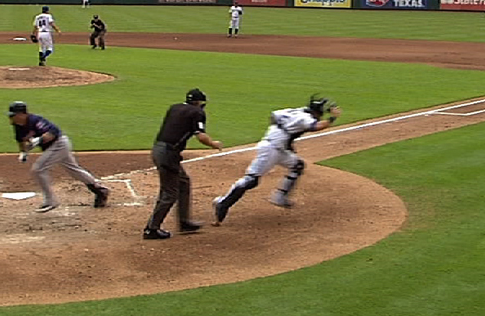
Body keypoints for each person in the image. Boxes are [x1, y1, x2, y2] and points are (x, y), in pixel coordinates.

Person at [212, 95, 342, 227]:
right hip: (270, 149)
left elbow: (274, 116)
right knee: (251, 180)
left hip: (280, 149)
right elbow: (317, 126)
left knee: (297, 166)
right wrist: (333, 117)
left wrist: (283, 137)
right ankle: (222, 202)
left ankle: (280, 197)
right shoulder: (305, 118)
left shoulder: (296, 111)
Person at [144, 88, 223, 240]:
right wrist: (213, 144)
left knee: (183, 182)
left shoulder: (175, 107)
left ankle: (184, 222)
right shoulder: (197, 113)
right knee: (169, 193)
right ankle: (151, 229)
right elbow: (200, 136)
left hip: (160, 149)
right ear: (199, 103)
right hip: (168, 154)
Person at [8, 101, 110, 213]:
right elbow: (21, 141)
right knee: (74, 170)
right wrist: (23, 152)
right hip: (53, 147)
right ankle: (100, 190)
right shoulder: (17, 126)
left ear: (22, 114)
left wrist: (39, 140)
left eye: (14, 115)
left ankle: (50, 201)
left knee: (38, 170)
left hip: (59, 144)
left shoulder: (35, 120)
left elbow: (53, 132)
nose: (11, 117)